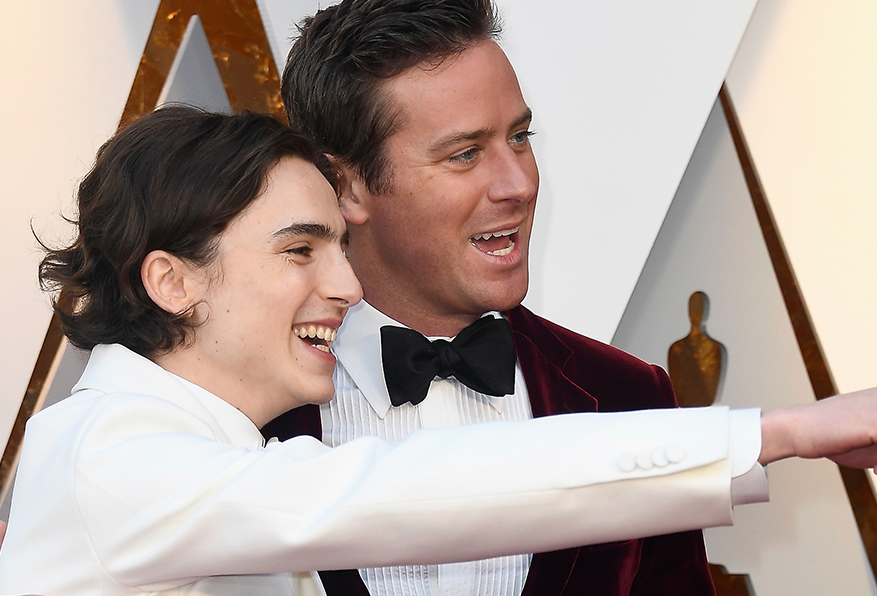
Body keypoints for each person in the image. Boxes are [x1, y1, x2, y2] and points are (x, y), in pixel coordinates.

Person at [268, 1, 877, 595]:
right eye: (466, 154)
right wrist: (793, 431)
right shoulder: (237, 407)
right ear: (347, 187)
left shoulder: (624, 394)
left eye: (521, 138)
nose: (518, 183)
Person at [0, 106, 827, 595]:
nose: (348, 286)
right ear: (173, 282)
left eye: (338, 246)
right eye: (300, 252)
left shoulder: (151, 443)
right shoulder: (110, 453)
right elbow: (405, 491)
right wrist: (770, 434)